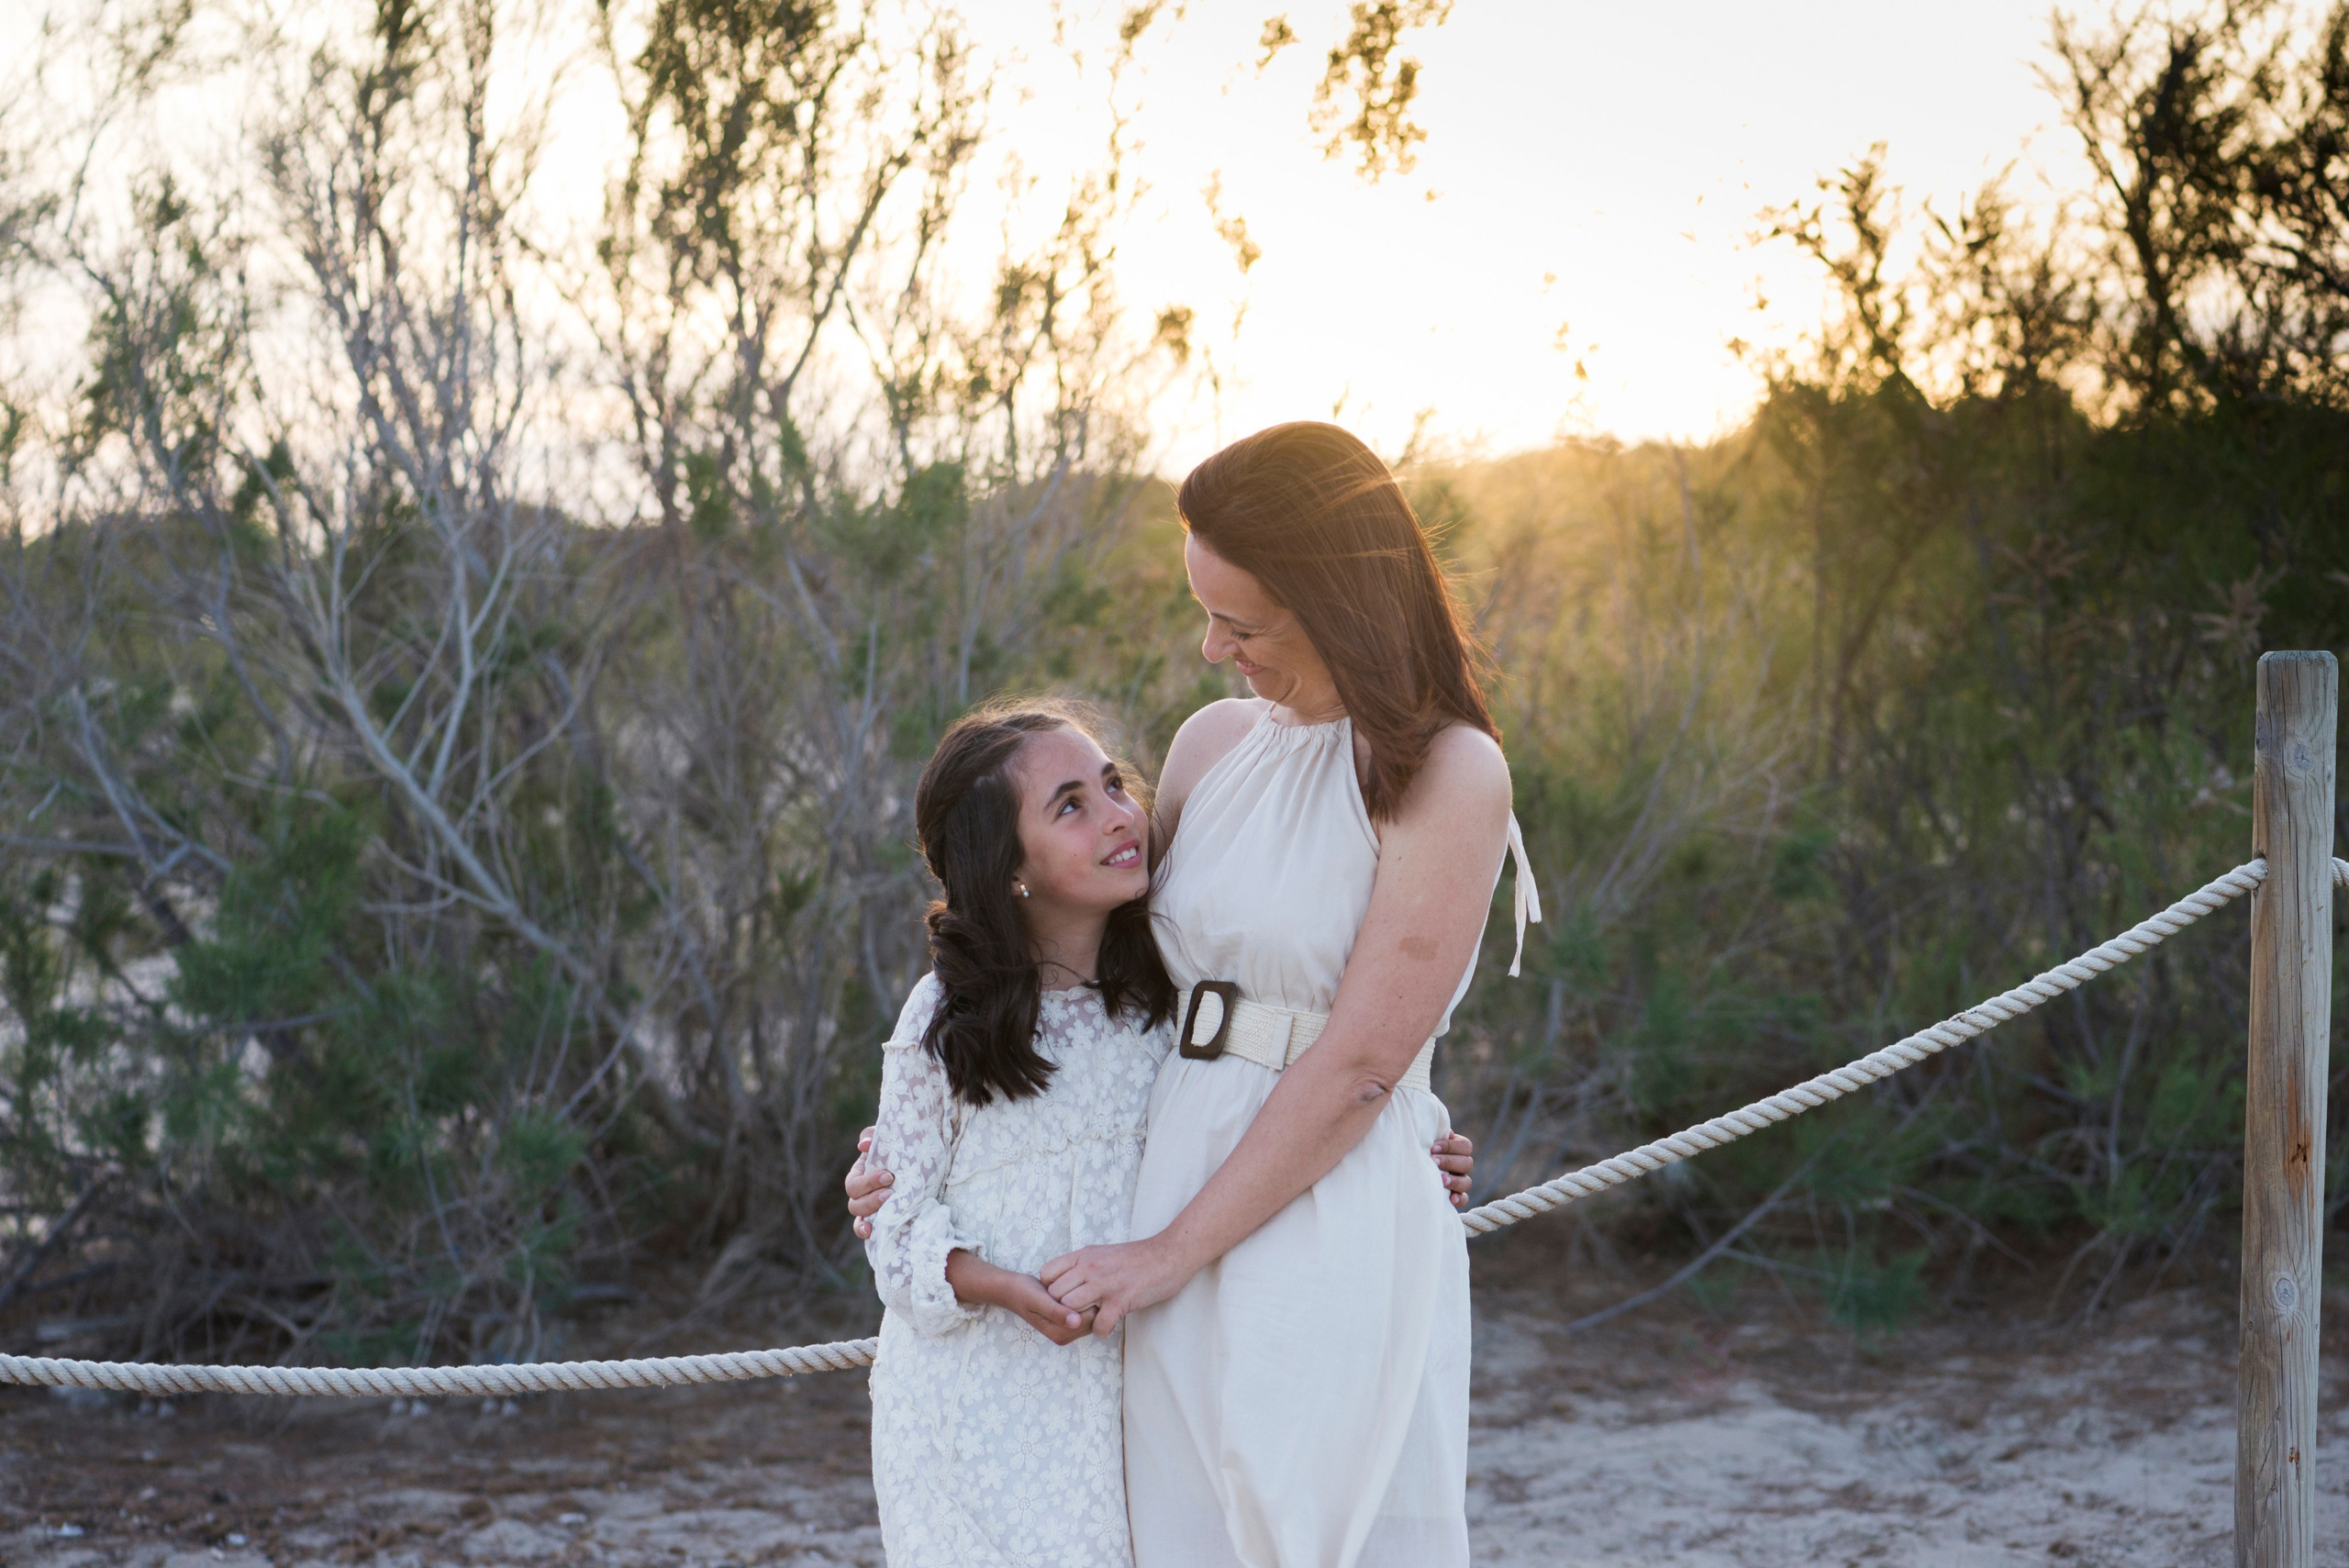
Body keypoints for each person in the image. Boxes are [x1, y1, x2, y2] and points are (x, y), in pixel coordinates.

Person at [853, 421, 1530, 1568]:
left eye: (1245, 622)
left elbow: (1361, 1049)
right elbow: (1097, 962)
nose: (1214, 650)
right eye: (1204, 612)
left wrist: (1393, 1115)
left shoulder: (1445, 769)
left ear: (1338, 601)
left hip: (1304, 1199)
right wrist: (921, 1140)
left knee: (1302, 1515)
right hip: (1164, 1179)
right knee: (1176, 1532)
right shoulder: (1216, 746)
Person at [860, 703, 1174, 1568]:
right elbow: (894, 1227)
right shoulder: (945, 1019)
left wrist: (1413, 1153)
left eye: (1113, 784)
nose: (1118, 813)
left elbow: (1269, 1112)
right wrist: (1005, 1286)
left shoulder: (1168, 1001)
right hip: (973, 1405)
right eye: (1070, 805)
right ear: (1008, 871)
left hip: (1123, 1391)